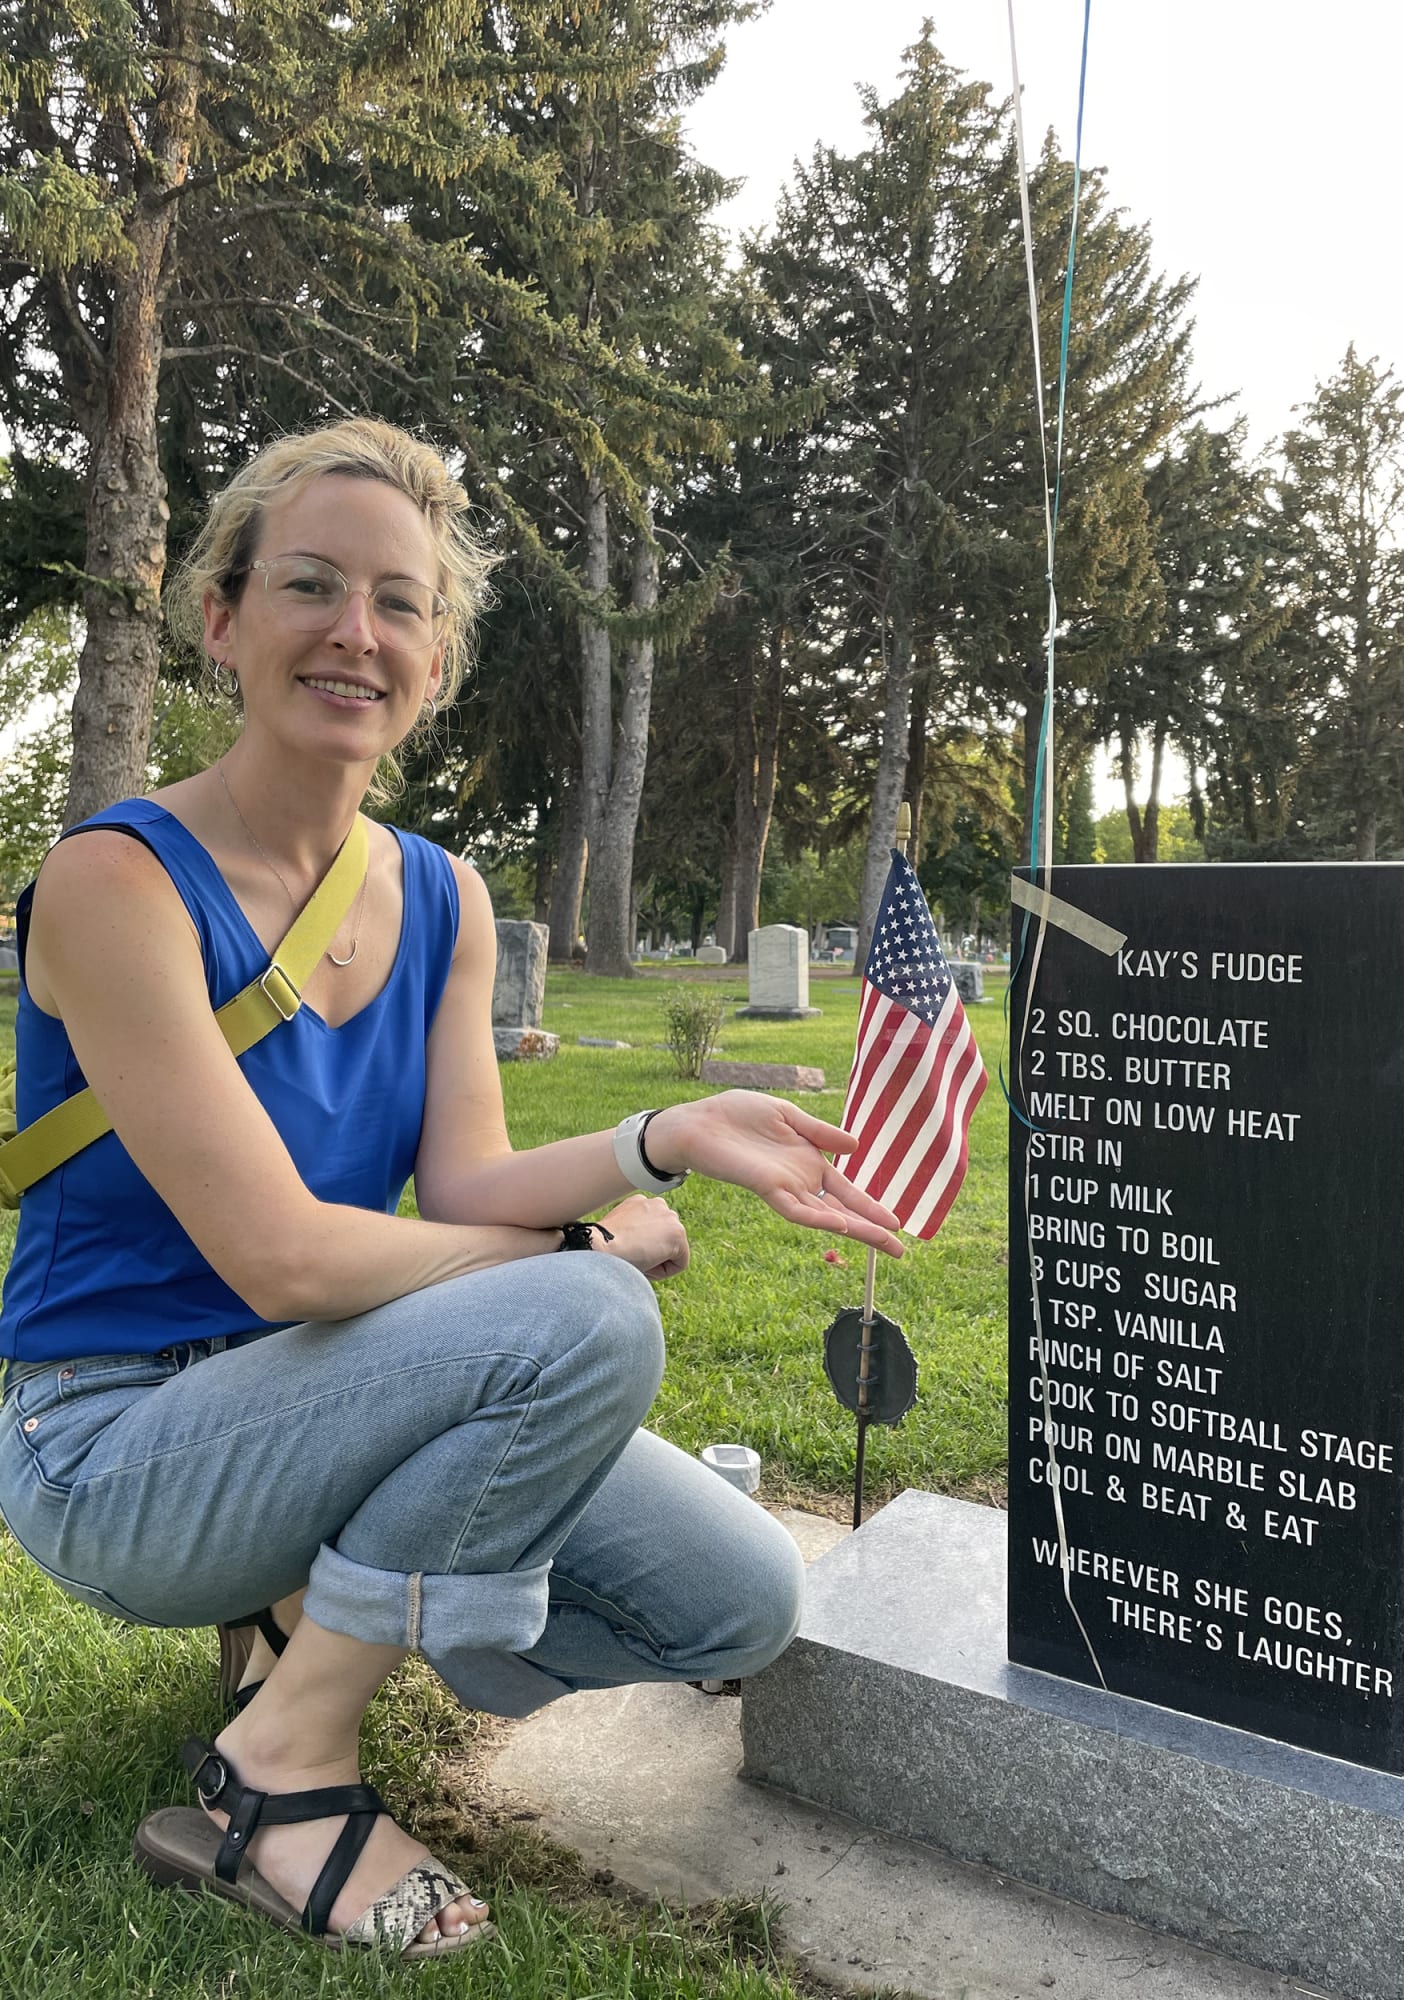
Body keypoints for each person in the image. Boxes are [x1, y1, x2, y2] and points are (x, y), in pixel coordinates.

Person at [0, 420, 902, 1961]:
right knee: (587, 1313)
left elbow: (469, 1172)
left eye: (401, 602)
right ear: (220, 619)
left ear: (437, 657)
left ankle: (310, 1625)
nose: (358, 632)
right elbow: (281, 1257)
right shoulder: (116, 882)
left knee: (739, 1603)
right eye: (310, 586)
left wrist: (661, 1136)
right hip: (117, 1436)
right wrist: (573, 1244)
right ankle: (283, 1765)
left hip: (342, 1394)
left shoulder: (439, 893)